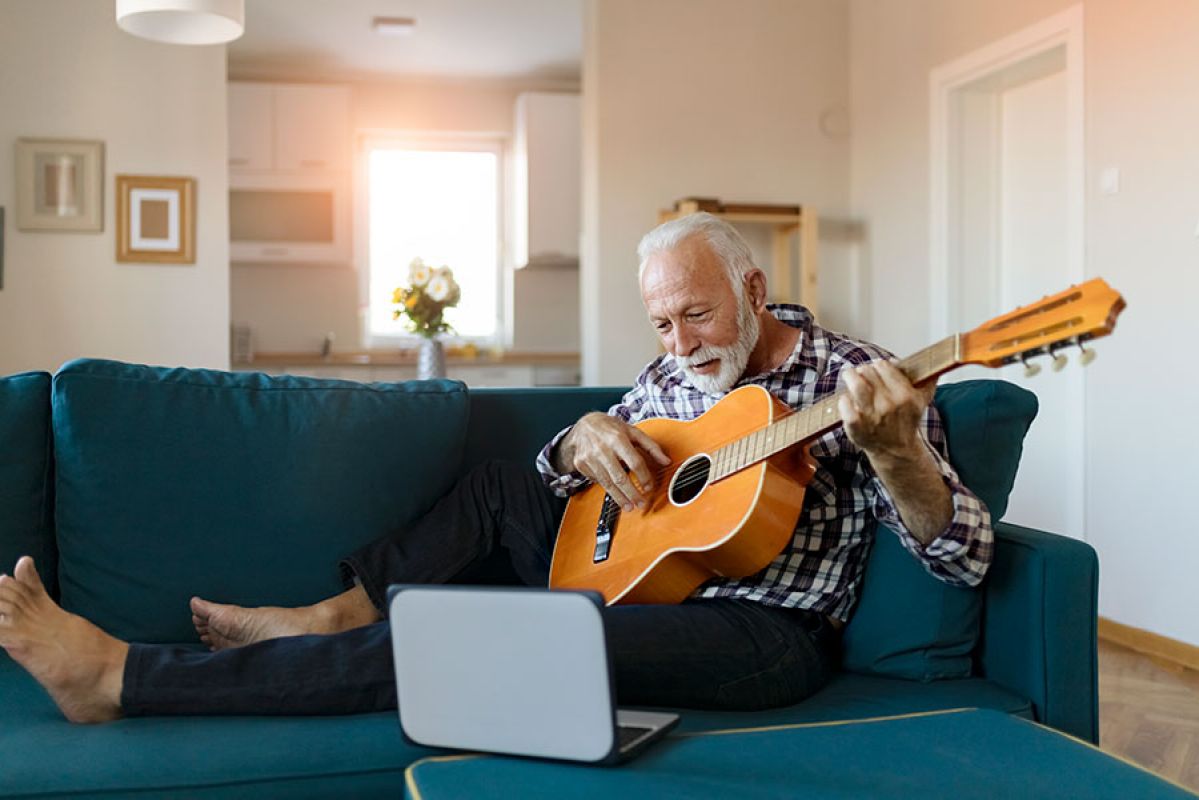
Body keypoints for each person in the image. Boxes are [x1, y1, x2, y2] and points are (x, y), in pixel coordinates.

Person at [0, 213, 991, 725]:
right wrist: (577, 440)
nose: (679, 342)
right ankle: (328, 611)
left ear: (754, 286)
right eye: (658, 321)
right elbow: (568, 470)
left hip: (764, 630)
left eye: (697, 314)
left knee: (461, 639)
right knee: (498, 485)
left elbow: (962, 554)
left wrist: (898, 451)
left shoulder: (858, 378)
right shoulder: (670, 371)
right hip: (631, 577)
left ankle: (122, 676)